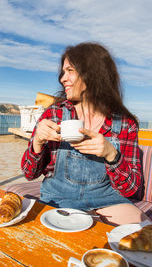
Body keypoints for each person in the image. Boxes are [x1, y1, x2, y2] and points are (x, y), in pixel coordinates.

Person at [21, 42, 147, 226]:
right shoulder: (54, 114)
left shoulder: (125, 124)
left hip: (109, 201)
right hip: (58, 199)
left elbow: (132, 189)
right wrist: (37, 144)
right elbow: (28, 173)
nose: (62, 78)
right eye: (63, 72)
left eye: (70, 70)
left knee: (142, 232)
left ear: (93, 73)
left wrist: (111, 155)